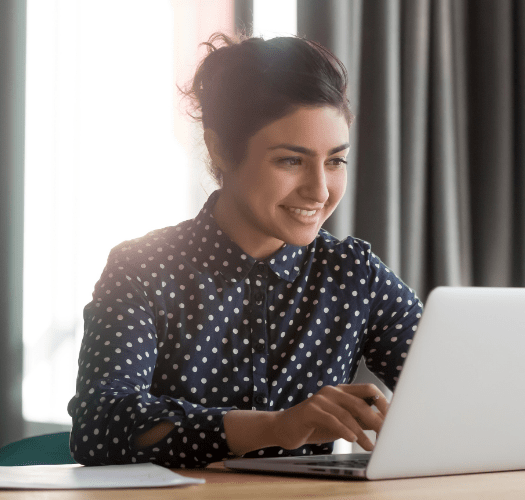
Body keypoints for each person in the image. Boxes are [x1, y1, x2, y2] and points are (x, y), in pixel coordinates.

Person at [67, 33, 422, 468]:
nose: (320, 190)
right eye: (290, 161)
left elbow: (456, 391)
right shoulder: (143, 268)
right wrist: (277, 427)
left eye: (335, 161)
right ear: (220, 149)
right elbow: (100, 428)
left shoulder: (354, 274)